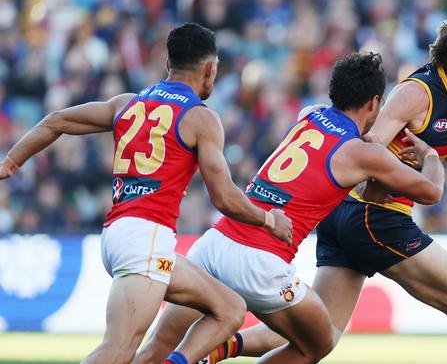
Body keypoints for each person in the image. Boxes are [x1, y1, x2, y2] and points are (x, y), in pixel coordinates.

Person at [211, 10, 447, 364]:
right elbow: (370, 143)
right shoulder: (416, 93)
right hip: (374, 216)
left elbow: (438, 141)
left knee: (318, 335)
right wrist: (413, 170)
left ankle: (218, 349)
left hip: (348, 217)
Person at [0, 22, 293, 364]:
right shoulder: (201, 118)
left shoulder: (128, 103)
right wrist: (269, 219)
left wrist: (10, 161)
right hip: (146, 238)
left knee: (230, 310)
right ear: (210, 69)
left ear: (168, 63)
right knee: (118, 350)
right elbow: (224, 198)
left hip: (123, 235)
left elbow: (56, 120)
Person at [132, 52, 446, 364]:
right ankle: (212, 352)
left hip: (215, 244)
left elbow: (330, 172)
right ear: (375, 103)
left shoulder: (308, 114)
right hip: (260, 261)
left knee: (155, 348)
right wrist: (430, 156)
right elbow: (431, 192)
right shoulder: (363, 153)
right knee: (317, 343)